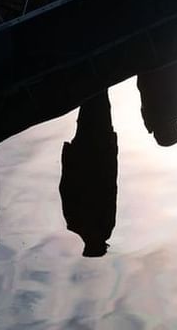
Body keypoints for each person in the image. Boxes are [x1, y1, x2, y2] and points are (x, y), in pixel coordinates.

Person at [59, 92, 118, 257]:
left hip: (93, 153)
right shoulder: (75, 223)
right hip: (94, 152)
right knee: (95, 107)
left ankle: (96, 77)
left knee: (94, 105)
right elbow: (111, 187)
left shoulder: (79, 222)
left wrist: (68, 156)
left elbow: (110, 187)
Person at [137, 58, 177, 147]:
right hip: (154, 70)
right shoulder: (151, 120)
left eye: (176, 130)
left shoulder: (176, 111)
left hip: (165, 68)